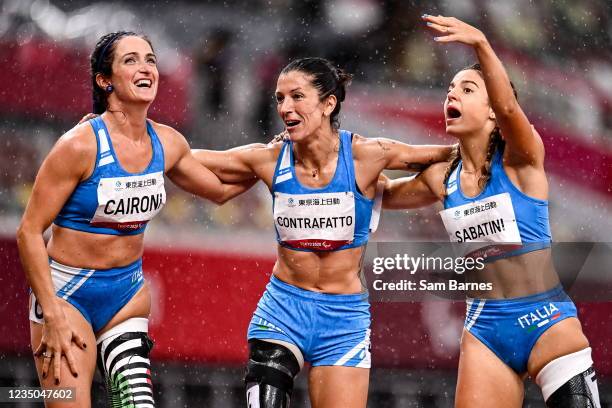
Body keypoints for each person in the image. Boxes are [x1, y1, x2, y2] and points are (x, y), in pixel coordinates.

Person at [193, 57, 452, 408]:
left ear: (329, 103)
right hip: (283, 309)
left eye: (297, 97)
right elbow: (184, 157)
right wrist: (114, 135)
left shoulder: (367, 155)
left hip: (344, 322)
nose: (285, 108)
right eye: (279, 99)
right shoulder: (269, 158)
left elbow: (448, 156)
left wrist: (494, 138)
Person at [16, 31, 253, 408]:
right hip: (66, 295)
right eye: (131, 60)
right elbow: (28, 231)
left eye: (151, 59)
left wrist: (275, 162)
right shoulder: (79, 145)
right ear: (104, 79)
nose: (146, 68)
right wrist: (54, 313)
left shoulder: (168, 142)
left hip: (125, 296)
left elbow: (220, 191)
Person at [383, 15, 600, 407]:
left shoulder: (522, 158)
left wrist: (482, 44)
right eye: (450, 89)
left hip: (545, 319)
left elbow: (510, 107)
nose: (452, 95)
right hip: (485, 330)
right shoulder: (441, 178)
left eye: (467, 89)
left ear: (491, 113)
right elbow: (377, 195)